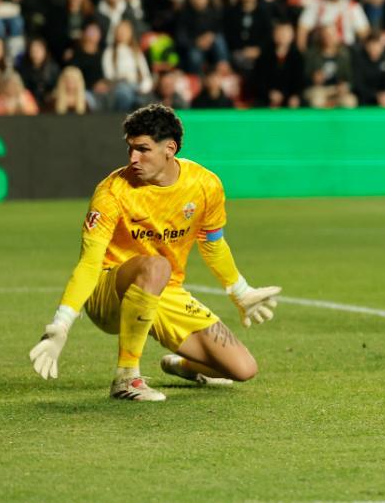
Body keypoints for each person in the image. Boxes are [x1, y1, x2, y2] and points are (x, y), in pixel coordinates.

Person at [28, 105, 282, 401]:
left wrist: (240, 291)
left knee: (242, 368)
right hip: (108, 290)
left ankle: (183, 367)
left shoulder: (204, 185)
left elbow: (212, 244)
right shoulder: (112, 192)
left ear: (169, 149)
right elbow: (89, 263)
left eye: (143, 149)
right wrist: (61, 323)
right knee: (157, 266)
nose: (133, 158)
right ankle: (127, 378)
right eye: (130, 149)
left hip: (164, 289)